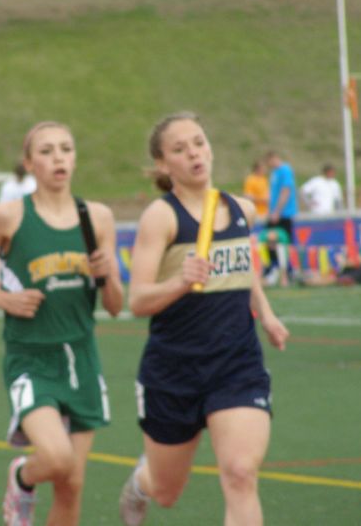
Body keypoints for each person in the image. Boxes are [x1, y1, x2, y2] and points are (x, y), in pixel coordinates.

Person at [0, 120, 124, 525]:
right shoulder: (9, 216)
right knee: (58, 459)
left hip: (81, 358)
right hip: (32, 358)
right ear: (29, 163)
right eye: (46, 151)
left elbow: (115, 305)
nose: (58, 157)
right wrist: (4, 299)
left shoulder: (97, 218)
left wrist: (109, 273)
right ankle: (23, 477)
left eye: (65, 148)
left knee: (72, 483)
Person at [118, 112, 289, 526]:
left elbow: (242, 266)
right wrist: (180, 281)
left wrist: (265, 313)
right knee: (166, 492)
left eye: (198, 142)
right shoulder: (162, 217)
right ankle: (141, 482)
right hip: (174, 370)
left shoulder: (241, 208)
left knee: (241, 473)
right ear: (163, 164)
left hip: (236, 366)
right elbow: (137, 300)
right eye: (180, 149)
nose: (194, 153)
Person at [299, 223, 361, 287]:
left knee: (338, 277)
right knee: (338, 274)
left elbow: (358, 262)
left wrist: (343, 261)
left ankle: (311, 282)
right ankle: (311, 278)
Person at [265, 150, 297, 242]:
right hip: (274, 212)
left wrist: (277, 211)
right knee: (269, 241)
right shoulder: (274, 172)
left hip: (283, 213)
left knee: (283, 242)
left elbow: (286, 191)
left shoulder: (285, 170)